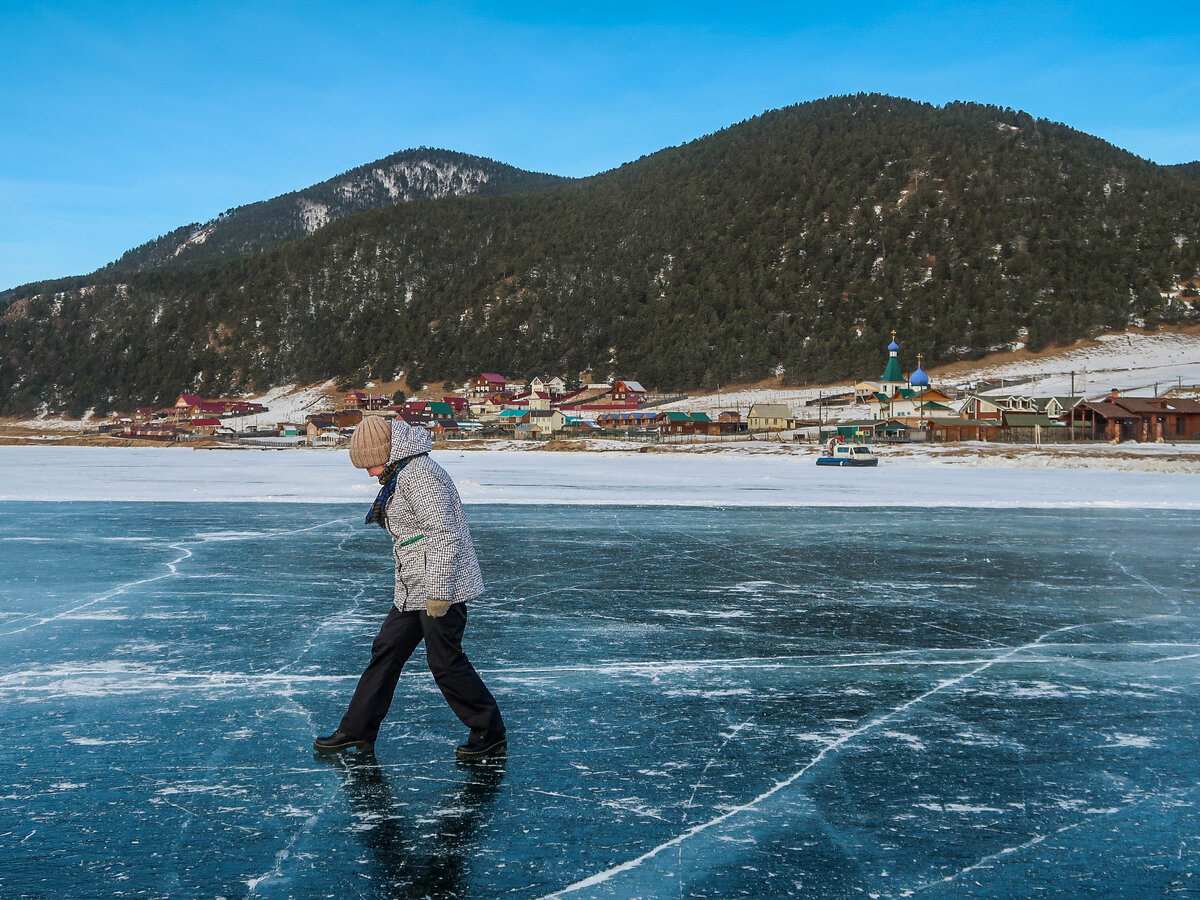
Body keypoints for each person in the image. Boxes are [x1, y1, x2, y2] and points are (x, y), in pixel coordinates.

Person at [314, 416, 506, 762]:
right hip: (412, 588)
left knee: (445, 662)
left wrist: (438, 593)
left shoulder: (420, 476)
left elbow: (443, 535)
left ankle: (489, 731)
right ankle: (358, 729)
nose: (370, 474)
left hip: (439, 589)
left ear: (386, 452)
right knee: (386, 651)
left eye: (370, 464)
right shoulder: (401, 473)